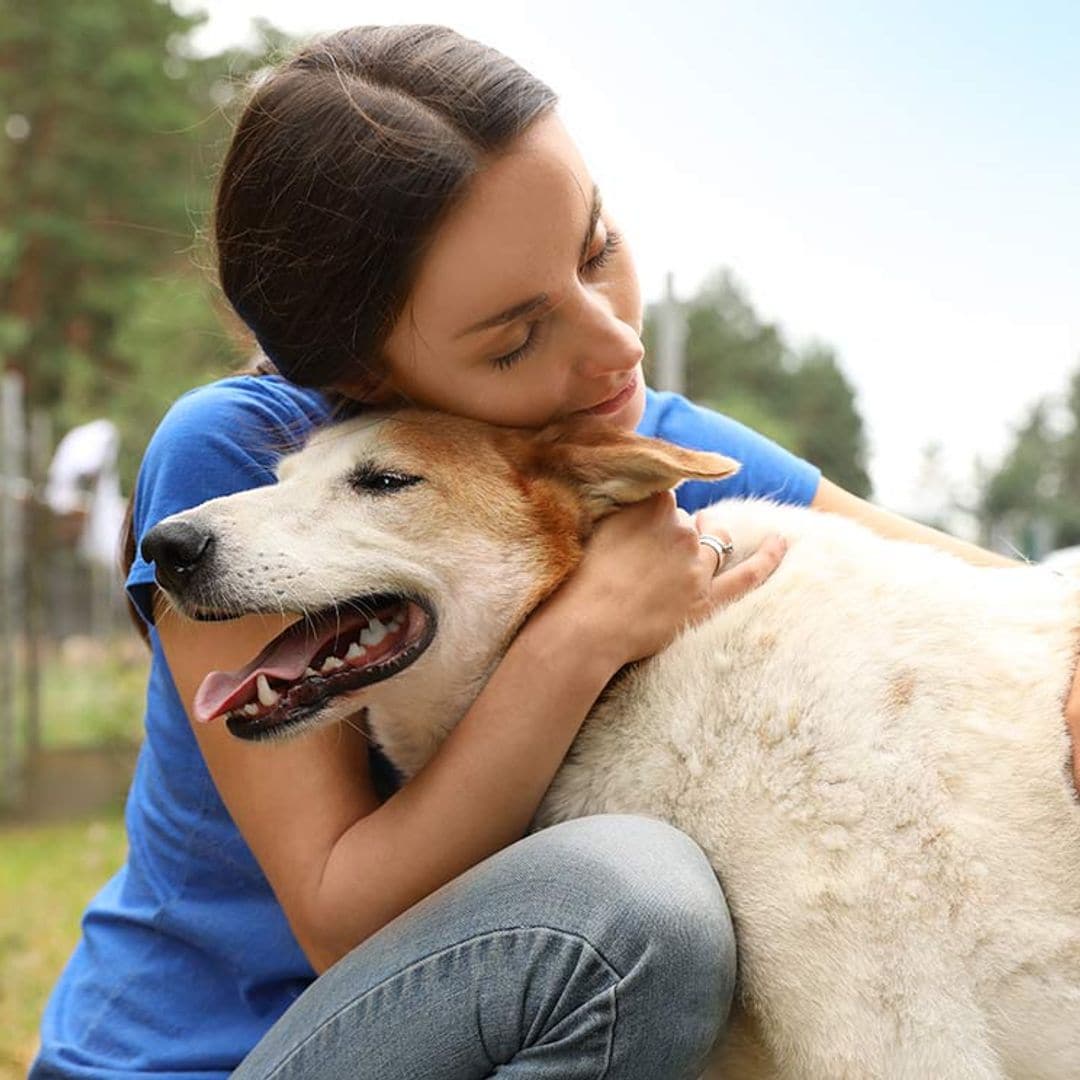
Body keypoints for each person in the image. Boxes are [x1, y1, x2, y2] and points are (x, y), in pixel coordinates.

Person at [31, 24, 1080, 1080]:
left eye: (595, 250)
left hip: (510, 1036)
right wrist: (582, 633)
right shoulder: (243, 454)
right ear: (363, 373)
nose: (616, 342)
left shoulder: (608, 423)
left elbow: (991, 589)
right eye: (513, 337)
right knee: (634, 909)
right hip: (220, 1059)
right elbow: (342, 922)